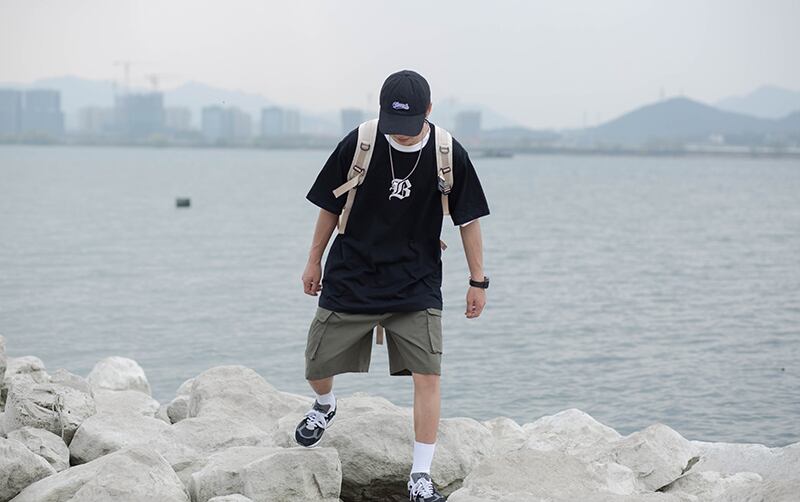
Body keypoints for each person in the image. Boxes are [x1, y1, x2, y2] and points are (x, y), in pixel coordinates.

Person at [295, 69, 490, 502]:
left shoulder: (448, 152)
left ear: (429, 111)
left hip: (416, 281)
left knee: (428, 375)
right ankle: (325, 406)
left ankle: (420, 475)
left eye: (409, 124)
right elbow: (329, 204)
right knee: (316, 366)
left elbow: (469, 220)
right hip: (353, 273)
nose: (400, 133)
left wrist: (478, 280)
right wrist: (313, 260)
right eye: (393, 123)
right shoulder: (361, 141)